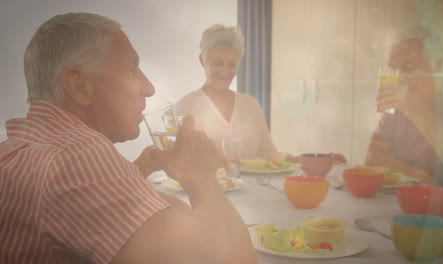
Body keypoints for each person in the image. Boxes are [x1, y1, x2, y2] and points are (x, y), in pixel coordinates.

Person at [0, 12, 257, 263]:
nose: (149, 88)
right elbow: (229, 258)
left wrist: (146, 164)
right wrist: (201, 176)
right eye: (133, 69)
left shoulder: (24, 147)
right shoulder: (77, 156)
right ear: (80, 85)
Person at [174, 24, 347, 164]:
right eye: (218, 63)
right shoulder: (184, 107)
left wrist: (312, 160)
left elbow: (269, 153)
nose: (225, 71)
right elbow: (176, 161)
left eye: (232, 64)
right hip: (207, 198)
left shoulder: (250, 104)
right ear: (202, 61)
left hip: (252, 196)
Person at [365, 25, 443, 193]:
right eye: (393, 68)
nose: (399, 79)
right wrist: (416, 175)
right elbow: (372, 158)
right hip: (410, 205)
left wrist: (419, 112)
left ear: (439, 66)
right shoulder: (399, 105)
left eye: (409, 67)